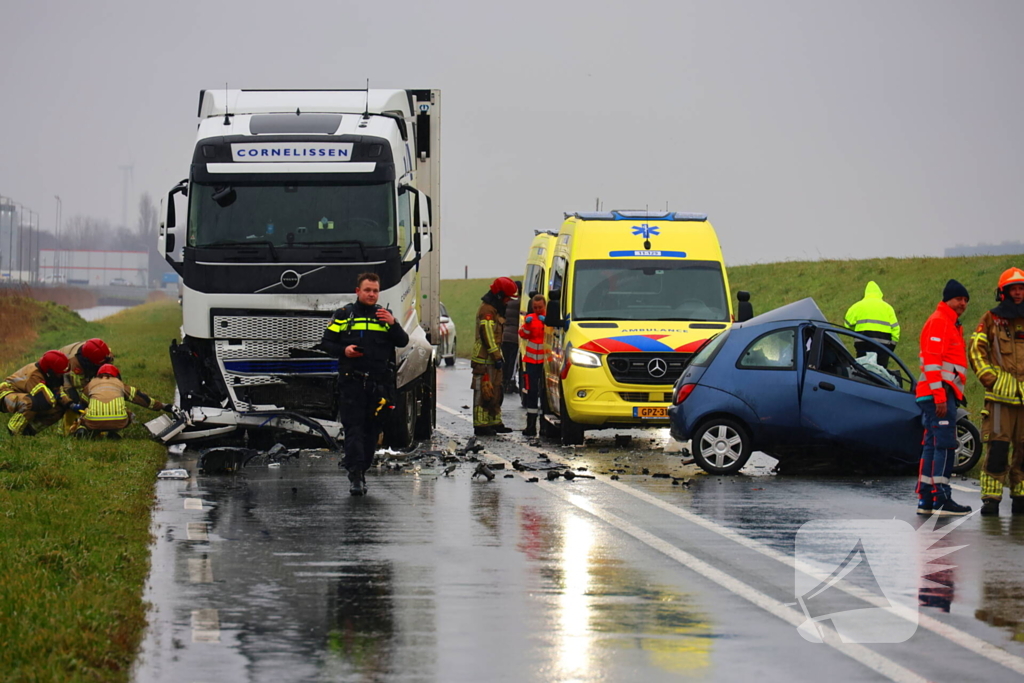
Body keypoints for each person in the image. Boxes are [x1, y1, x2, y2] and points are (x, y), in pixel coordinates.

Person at [319, 273, 409, 496]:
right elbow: (326, 343)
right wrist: (345, 350)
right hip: (352, 383)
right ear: (358, 291)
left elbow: (403, 341)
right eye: (367, 290)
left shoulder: (384, 317)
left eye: (375, 291)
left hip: (379, 384)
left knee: (372, 431)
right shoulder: (344, 315)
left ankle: (363, 467)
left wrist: (393, 323)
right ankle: (356, 475)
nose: (371, 294)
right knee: (354, 429)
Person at [968, 267, 1024, 516]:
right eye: (1014, 289)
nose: (1018, 293)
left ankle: (1021, 496)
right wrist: (990, 379)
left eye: (1022, 288)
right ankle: (991, 499)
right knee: (998, 452)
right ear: (1003, 292)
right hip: (1000, 400)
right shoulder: (991, 318)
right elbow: (976, 350)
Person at [915, 279, 972, 516]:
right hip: (938, 394)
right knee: (946, 444)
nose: (962, 304)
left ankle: (927, 498)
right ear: (947, 299)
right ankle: (942, 497)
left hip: (937, 392)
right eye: (959, 299)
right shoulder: (940, 322)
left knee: (932, 444)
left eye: (965, 301)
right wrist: (940, 396)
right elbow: (932, 361)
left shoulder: (948, 322)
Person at [68, 364, 173, 439]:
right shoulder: (120, 384)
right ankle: (113, 432)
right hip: (119, 421)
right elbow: (143, 399)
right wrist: (162, 406)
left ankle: (84, 431)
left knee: (85, 415)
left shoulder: (91, 384)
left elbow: (83, 403)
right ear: (116, 375)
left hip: (92, 422)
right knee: (128, 414)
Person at [472, 276, 517, 436]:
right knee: (484, 392)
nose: (507, 302)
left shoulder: (496, 309)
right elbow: (488, 335)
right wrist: (496, 356)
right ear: (499, 295)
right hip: (485, 359)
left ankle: (494, 421)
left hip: (494, 357)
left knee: (497, 390)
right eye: (506, 298)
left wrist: (498, 357)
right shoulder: (487, 311)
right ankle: (481, 425)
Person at [0, 350, 69, 436]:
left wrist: (69, 403)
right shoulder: (35, 376)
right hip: (5, 394)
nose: (61, 375)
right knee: (30, 403)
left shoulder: (48, 374)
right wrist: (58, 399)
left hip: (21, 395)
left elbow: (57, 392)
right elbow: (45, 399)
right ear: (50, 371)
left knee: (59, 408)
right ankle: (13, 431)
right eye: (59, 373)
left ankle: (28, 431)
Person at [59, 338, 114, 434]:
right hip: (64, 371)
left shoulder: (102, 352)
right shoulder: (75, 364)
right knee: (75, 398)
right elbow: (76, 388)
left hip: (87, 364)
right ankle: (69, 428)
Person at [844, 281, 900, 368]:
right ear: (880, 293)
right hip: (883, 344)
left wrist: (857, 330)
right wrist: (891, 346)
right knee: (882, 372)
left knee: (863, 369)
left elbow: (847, 323)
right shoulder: (888, 308)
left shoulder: (857, 306)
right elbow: (896, 329)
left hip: (863, 341)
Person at [519, 295, 547, 436]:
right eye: (535, 307)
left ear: (545, 306)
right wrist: (527, 324)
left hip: (545, 361)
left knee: (544, 393)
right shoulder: (530, 318)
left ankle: (544, 426)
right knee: (531, 392)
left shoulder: (549, 319)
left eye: (540, 307)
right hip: (531, 361)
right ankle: (530, 426)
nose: (537, 310)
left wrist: (547, 324)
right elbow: (523, 334)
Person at [501, 281, 522, 393]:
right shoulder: (520, 303)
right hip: (514, 336)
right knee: (513, 362)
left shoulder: (507, 302)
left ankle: (503, 381)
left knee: (506, 360)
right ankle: (510, 382)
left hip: (505, 334)